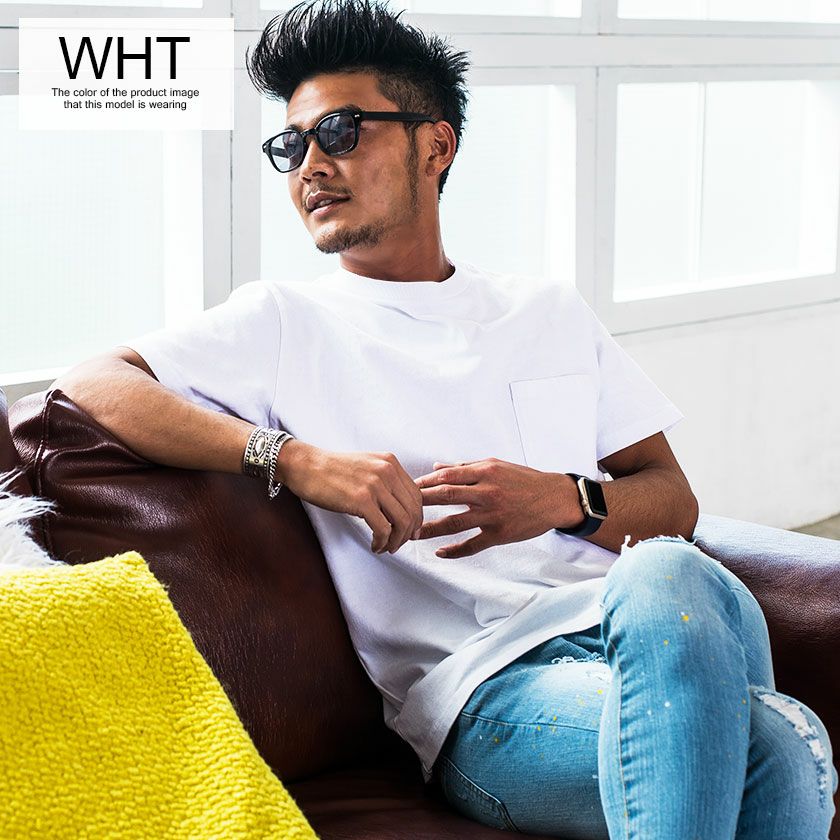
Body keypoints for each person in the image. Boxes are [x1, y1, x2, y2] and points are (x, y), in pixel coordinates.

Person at [54, 1, 837, 836]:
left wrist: (562, 500)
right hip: (493, 695)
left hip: (647, 631)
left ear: (435, 146)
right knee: (782, 743)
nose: (310, 165)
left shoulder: (547, 311)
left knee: (668, 572)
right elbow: (94, 380)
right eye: (292, 146)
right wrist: (293, 458)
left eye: (340, 132)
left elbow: (672, 501)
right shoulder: (282, 321)